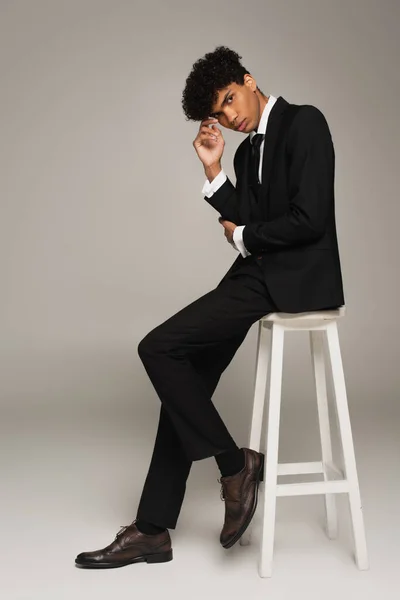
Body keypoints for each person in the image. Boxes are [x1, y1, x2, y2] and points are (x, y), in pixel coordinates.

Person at [75, 45, 345, 569]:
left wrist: (245, 234)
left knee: (158, 347)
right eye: (219, 113)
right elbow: (248, 221)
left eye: (229, 100)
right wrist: (215, 168)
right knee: (186, 382)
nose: (230, 116)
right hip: (258, 274)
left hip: (296, 279)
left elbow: (309, 220)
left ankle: (233, 465)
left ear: (248, 79)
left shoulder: (305, 123)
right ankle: (154, 528)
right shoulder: (245, 152)